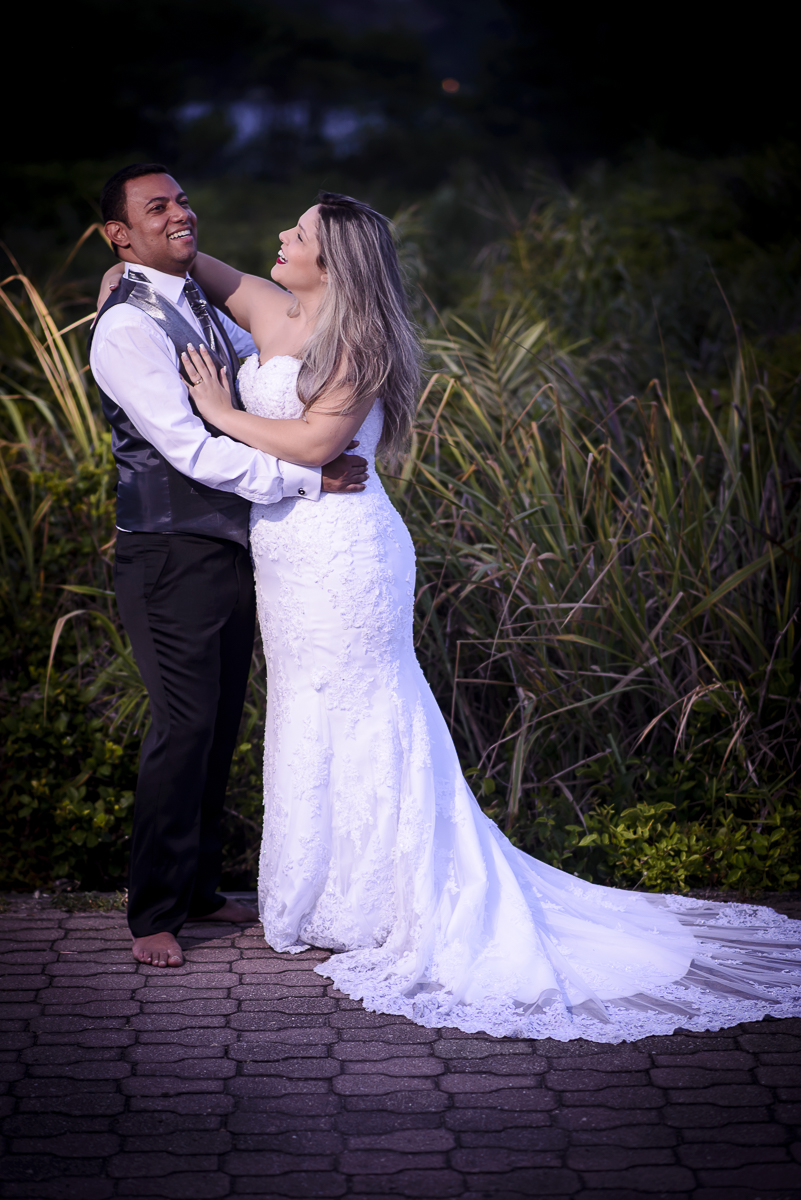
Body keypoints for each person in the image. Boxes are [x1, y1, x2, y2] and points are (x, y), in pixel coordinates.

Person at [100, 191, 801, 1042]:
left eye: (300, 234)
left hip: (345, 545)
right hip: (284, 554)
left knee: (364, 705)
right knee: (306, 709)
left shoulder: (355, 340)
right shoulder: (266, 302)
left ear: (334, 260)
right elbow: (174, 268)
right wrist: (122, 273)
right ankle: (319, 894)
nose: (281, 236)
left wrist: (220, 414)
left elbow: (320, 448)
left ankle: (385, 899)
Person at [90, 165, 369, 970]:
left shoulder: (198, 308)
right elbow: (192, 449)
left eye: (180, 199)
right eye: (157, 207)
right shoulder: (128, 328)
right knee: (182, 727)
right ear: (121, 234)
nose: (181, 212)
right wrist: (305, 477)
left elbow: (266, 374)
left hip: (233, 550)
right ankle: (152, 913)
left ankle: (200, 883)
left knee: (217, 728)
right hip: (169, 554)